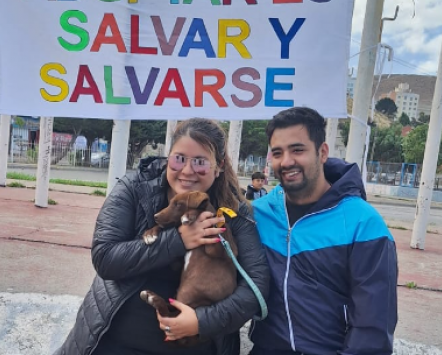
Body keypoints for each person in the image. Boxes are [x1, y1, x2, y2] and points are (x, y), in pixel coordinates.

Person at [58, 118, 270, 355]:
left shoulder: (233, 209)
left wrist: (202, 321)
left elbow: (256, 285)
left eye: (200, 162)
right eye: (179, 158)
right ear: (168, 157)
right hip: (114, 341)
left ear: (219, 165)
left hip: (196, 345)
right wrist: (178, 240)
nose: (187, 171)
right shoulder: (135, 188)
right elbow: (105, 258)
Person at [249, 107, 398, 355]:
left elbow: (373, 328)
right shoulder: (258, 214)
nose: (286, 161)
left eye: (298, 150)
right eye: (277, 152)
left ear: (322, 152)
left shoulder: (363, 223)